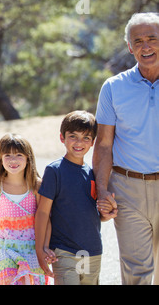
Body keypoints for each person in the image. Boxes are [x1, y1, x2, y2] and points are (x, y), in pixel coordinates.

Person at [93, 12, 159, 285]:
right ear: (130, 47)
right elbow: (104, 144)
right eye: (138, 41)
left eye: (152, 39)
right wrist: (103, 189)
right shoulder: (113, 88)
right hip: (128, 189)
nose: (146, 47)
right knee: (137, 273)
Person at [35, 111, 112, 285]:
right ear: (62, 138)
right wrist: (41, 249)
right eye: (73, 136)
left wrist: (106, 215)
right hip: (64, 252)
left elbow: (91, 213)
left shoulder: (93, 173)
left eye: (86, 138)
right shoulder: (54, 171)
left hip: (93, 252)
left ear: (93, 142)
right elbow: (43, 213)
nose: (79, 143)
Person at [0, 133, 54, 285]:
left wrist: (45, 247)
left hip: (33, 248)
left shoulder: (36, 186)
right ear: (0, 159)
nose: (13, 160)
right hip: (7, 249)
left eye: (18, 155)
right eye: (7, 155)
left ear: (28, 158)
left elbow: (45, 219)